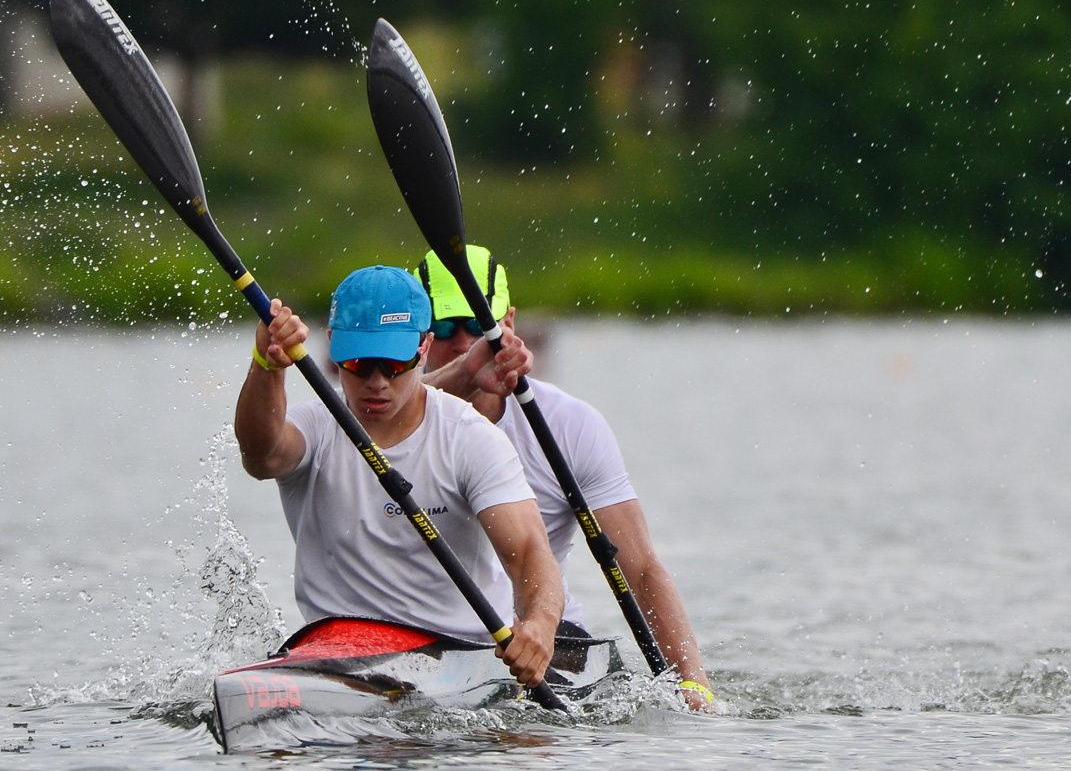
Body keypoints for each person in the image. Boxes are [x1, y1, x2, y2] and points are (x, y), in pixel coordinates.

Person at [233, 265, 564, 689]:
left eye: (393, 364)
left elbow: (530, 555)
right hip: (335, 652)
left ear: (425, 346)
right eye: (358, 363)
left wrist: (538, 625)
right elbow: (261, 458)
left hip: (455, 653)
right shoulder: (315, 428)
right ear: (332, 346)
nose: (376, 383)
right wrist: (268, 364)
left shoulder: (468, 438)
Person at [414, 246, 714, 709]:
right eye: (444, 327)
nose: (463, 343)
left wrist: (694, 685)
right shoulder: (377, 422)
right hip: (425, 635)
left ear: (507, 324)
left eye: (478, 326)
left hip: (550, 639)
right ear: (418, 336)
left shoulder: (571, 425)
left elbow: (642, 568)